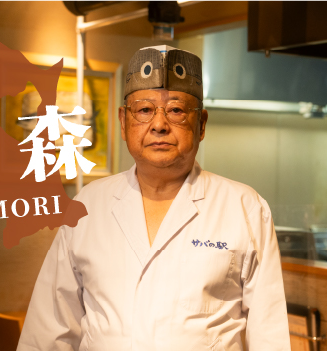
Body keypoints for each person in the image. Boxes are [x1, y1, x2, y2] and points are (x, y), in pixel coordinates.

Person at [18, 46, 290, 350]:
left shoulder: (245, 208)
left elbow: (270, 335)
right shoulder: (87, 207)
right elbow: (48, 332)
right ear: (123, 122)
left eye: (176, 110)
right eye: (144, 110)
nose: (159, 124)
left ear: (201, 124)